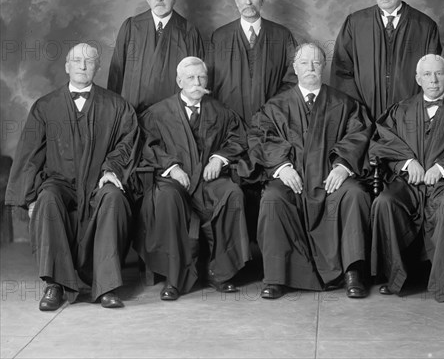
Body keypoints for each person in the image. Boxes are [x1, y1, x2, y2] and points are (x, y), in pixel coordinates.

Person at [5, 43, 140, 310]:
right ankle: (55, 284)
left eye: (89, 61)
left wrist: (111, 170)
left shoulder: (117, 106)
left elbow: (127, 143)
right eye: (76, 61)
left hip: (98, 181)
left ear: (97, 67)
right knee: (47, 199)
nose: (82, 66)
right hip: (60, 180)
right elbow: (30, 153)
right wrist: (30, 196)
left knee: (113, 198)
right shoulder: (45, 106)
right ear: (67, 66)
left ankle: (107, 286)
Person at [245, 43, 373, 300]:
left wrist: (343, 166)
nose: (311, 68)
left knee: (354, 195)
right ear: (295, 67)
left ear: (324, 66)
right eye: (304, 63)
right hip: (293, 179)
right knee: (272, 198)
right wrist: (282, 167)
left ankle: (352, 273)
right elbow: (261, 137)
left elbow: (359, 134)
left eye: (316, 62)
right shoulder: (275, 106)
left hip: (330, 179)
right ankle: (277, 277)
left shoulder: (344, 103)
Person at [135, 57, 251, 300]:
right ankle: (174, 277)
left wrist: (219, 158)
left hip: (208, 181)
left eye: (201, 77)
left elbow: (239, 139)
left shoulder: (221, 111)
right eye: (190, 78)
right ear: (179, 81)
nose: (196, 82)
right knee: (166, 199)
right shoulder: (158, 113)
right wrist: (172, 167)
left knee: (232, 193)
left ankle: (220, 272)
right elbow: (146, 146)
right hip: (173, 180)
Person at [370, 54, 444, 302]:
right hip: (409, 183)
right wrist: (408, 163)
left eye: (439, 74)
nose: (433, 80)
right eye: (427, 75)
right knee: (385, 202)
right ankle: (396, 276)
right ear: (418, 79)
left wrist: (442, 168)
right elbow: (383, 141)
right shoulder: (401, 109)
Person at [330, 0, 441, 120]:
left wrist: (418, 112)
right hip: (364, 118)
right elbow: (341, 71)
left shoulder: (425, 26)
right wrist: (357, 112)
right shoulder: (355, 23)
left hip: (410, 119)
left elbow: (434, 77)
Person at [108, 0, 204, 112]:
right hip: (132, 115)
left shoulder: (189, 32)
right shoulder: (131, 26)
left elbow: (197, 80)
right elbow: (116, 75)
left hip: (173, 116)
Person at [207, 0, 297, 125]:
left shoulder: (282, 35)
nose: (248, 2)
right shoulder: (219, 37)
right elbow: (208, 80)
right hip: (228, 121)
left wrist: (274, 107)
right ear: (236, 1)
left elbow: (293, 78)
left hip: (271, 120)